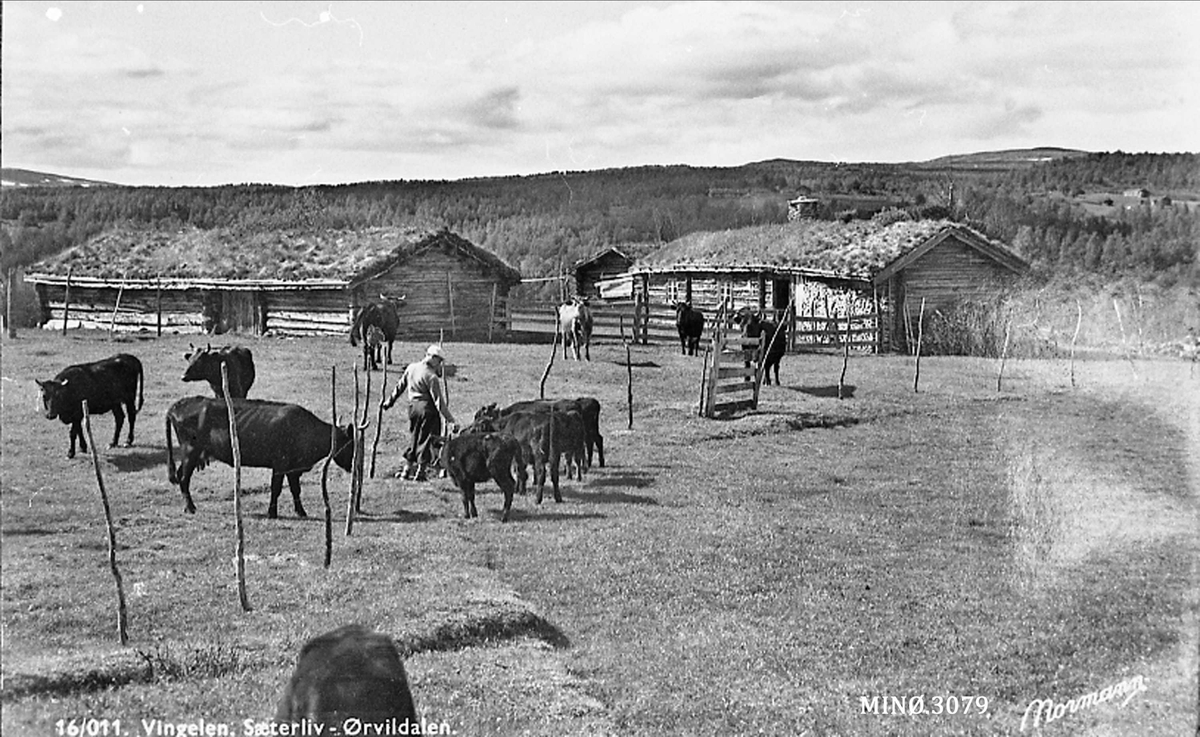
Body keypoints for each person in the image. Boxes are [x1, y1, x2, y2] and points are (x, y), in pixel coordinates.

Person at [381, 344, 457, 481]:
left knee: (414, 438)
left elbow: (400, 387)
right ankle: (420, 472)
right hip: (428, 410)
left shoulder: (411, 368)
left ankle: (406, 470)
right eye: (438, 361)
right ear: (432, 358)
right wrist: (450, 420)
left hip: (413, 409)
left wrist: (389, 402)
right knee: (426, 441)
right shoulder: (431, 376)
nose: (439, 364)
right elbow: (438, 402)